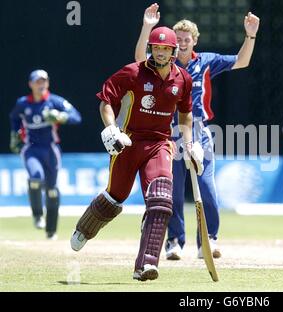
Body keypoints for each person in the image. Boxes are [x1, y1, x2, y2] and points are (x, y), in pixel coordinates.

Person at [70, 26, 203, 282]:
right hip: (128, 142)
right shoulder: (133, 72)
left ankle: (146, 265)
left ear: (174, 51)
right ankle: (85, 228)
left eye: (166, 49)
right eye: (156, 48)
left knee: (162, 200)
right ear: (151, 49)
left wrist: (190, 142)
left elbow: (186, 113)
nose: (161, 53)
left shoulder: (182, 79)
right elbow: (106, 100)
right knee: (115, 197)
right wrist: (111, 129)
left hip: (160, 144)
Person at [135, 3, 260, 260]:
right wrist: (147, 27)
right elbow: (138, 60)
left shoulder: (206, 61)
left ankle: (208, 239)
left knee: (206, 187)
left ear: (195, 41)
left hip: (198, 131)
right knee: (173, 190)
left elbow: (243, 61)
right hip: (167, 133)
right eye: (177, 39)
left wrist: (250, 35)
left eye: (186, 39)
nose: (181, 43)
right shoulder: (163, 62)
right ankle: (174, 242)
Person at [9, 70, 82, 240]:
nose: (41, 85)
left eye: (43, 81)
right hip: (31, 149)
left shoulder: (54, 101)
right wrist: (14, 135)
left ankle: (51, 231)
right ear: (31, 84)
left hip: (50, 150)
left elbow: (77, 117)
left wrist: (61, 117)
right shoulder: (23, 103)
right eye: (37, 82)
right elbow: (13, 117)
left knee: (52, 191)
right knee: (35, 177)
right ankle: (37, 215)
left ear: (47, 83)